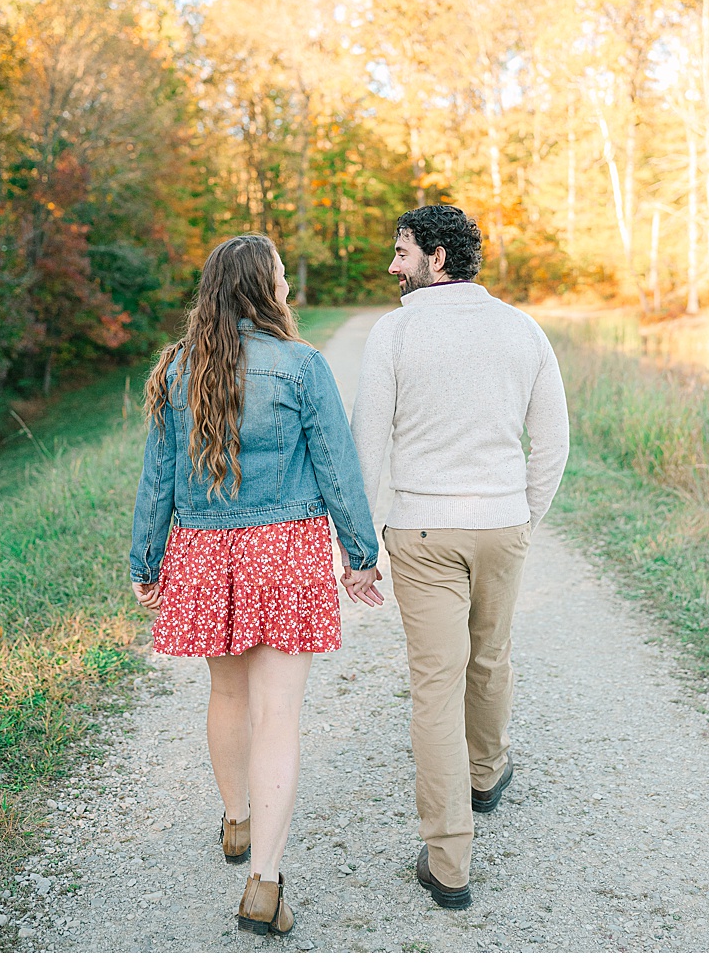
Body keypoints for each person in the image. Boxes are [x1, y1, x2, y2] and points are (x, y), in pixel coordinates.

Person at [129, 234, 380, 937]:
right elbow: (337, 465)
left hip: (204, 550)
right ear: (267, 288)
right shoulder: (302, 365)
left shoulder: (179, 368)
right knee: (279, 714)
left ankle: (237, 818)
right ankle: (263, 882)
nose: (289, 290)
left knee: (227, 692)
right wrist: (360, 554)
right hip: (285, 550)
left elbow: (158, 478)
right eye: (281, 277)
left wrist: (147, 561)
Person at [349, 204, 569, 910]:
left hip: (421, 532)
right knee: (492, 654)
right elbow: (554, 442)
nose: (393, 265)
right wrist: (522, 515)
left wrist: (359, 544)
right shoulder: (522, 328)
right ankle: (487, 771)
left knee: (435, 686)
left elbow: (366, 448)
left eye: (403, 252)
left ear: (437, 258)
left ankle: (449, 860)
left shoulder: (394, 332)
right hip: (501, 522)